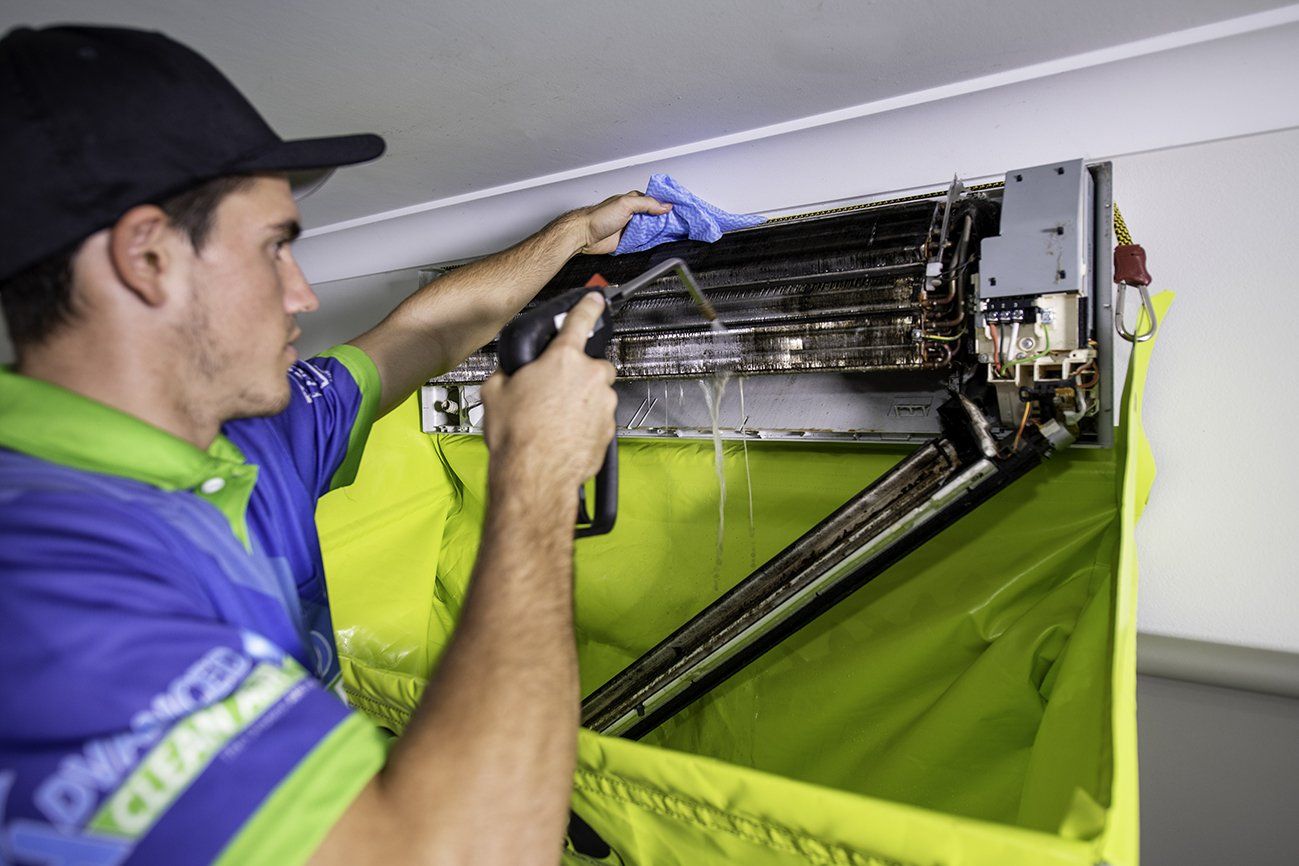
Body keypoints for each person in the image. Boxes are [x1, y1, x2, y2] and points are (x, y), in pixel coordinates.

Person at [0, 24, 671, 866]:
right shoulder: (39, 584)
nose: (305, 295)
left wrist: (572, 236)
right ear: (149, 257)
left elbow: (424, 333)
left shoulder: (252, 432)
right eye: (276, 246)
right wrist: (534, 479)